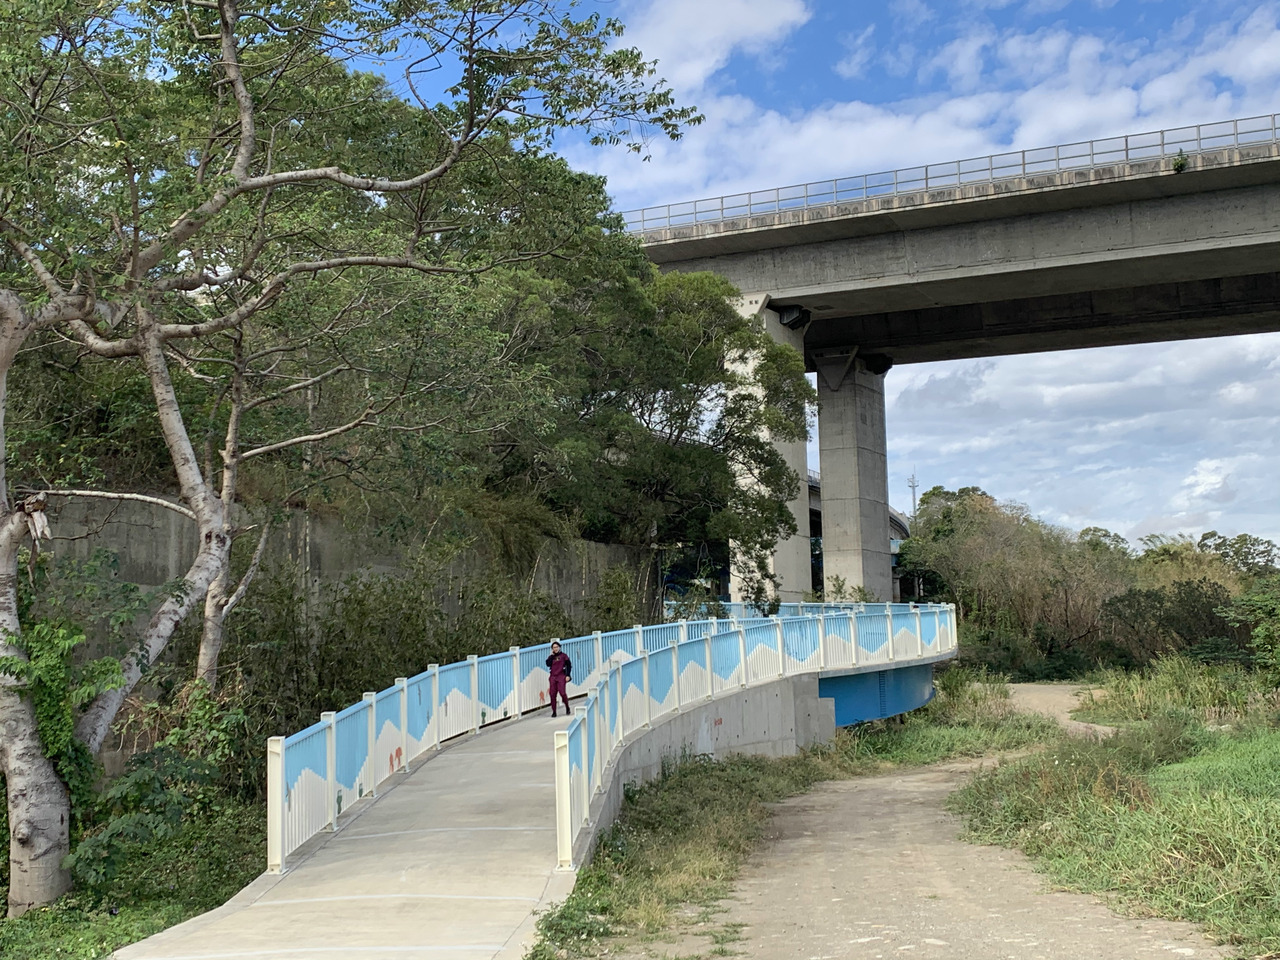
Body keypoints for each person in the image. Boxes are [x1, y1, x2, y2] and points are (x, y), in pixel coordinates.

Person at [546, 641, 572, 717]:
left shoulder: (564, 656)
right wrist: (551, 656)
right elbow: (548, 664)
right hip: (553, 676)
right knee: (552, 694)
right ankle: (554, 711)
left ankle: (567, 707)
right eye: (554, 647)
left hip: (561, 676)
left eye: (557, 647)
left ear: (559, 647)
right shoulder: (551, 657)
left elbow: (569, 665)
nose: (556, 649)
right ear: (552, 649)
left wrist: (568, 675)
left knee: (562, 693)